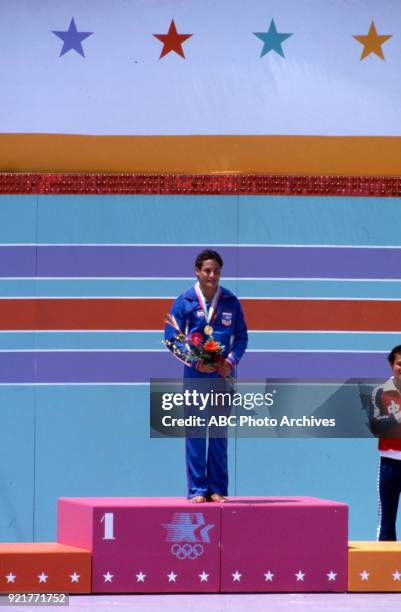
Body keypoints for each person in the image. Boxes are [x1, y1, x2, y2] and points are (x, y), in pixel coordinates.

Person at [164, 249, 248, 503]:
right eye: (208, 271)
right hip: (196, 376)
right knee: (197, 432)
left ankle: (218, 489)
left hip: (223, 376)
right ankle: (198, 490)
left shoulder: (231, 302)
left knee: (219, 432)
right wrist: (195, 363)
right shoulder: (185, 301)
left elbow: (242, 337)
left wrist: (231, 361)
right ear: (197, 271)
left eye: (217, 271)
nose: (212, 275)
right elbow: (171, 338)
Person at [369, 345, 401, 540]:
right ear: (392, 365)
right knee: (387, 520)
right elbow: (375, 427)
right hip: (390, 463)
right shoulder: (380, 391)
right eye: (400, 363)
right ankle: (387, 565)